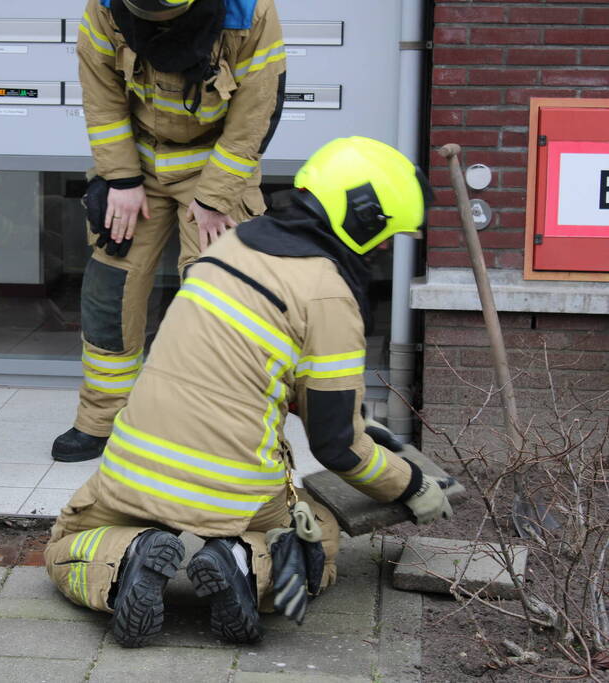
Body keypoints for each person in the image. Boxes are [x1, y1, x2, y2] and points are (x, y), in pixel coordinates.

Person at [44, 136, 454, 647]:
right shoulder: (328, 294)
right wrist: (411, 485)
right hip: (237, 489)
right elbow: (338, 448)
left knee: (68, 544)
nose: (385, 248)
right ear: (364, 218)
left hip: (132, 470)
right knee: (320, 535)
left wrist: (353, 417)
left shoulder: (232, 243)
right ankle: (241, 561)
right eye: (388, 235)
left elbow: (257, 369)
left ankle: (128, 556)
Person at [52, 0, 287, 462]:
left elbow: (257, 113)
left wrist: (216, 196)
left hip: (215, 166)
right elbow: (102, 99)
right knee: (109, 289)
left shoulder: (250, 12)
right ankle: (102, 418)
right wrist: (119, 178)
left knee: (219, 299)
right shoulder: (104, 8)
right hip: (137, 165)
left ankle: (211, 427)